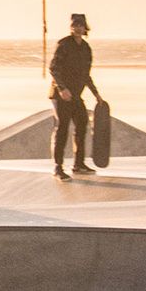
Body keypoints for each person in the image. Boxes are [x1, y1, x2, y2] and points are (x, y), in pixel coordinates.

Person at [48, 14, 102, 181]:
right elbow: (53, 68)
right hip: (61, 95)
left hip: (76, 95)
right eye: (75, 25)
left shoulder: (85, 48)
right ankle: (58, 167)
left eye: (81, 25)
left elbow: (86, 75)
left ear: (85, 27)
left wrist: (96, 94)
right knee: (62, 128)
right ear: (71, 27)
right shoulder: (64, 44)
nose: (78, 28)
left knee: (82, 125)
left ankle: (78, 164)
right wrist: (62, 89)